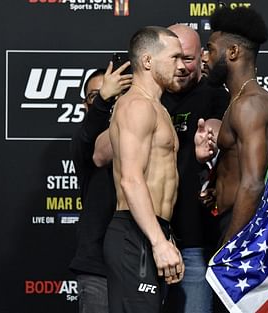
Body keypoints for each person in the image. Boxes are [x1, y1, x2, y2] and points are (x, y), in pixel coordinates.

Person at [194, 7, 268, 312]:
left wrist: (229, 247)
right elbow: (237, 168)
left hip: (241, 235)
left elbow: (252, 183)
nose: (204, 57)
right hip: (230, 224)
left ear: (233, 52)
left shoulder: (250, 105)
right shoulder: (237, 101)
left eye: (210, 49)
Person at [103, 26, 186, 313]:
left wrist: (165, 239)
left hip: (152, 231)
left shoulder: (159, 108)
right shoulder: (136, 106)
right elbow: (131, 180)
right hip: (135, 235)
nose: (182, 66)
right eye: (175, 58)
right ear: (148, 61)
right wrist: (158, 243)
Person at [161, 24, 229, 313]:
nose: (180, 66)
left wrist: (210, 141)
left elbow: (216, 126)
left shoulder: (214, 93)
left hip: (194, 241)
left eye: (187, 58)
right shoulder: (149, 96)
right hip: (148, 237)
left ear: (201, 56)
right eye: (173, 58)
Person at [69, 62, 131, 313]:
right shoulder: (83, 143)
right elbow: (89, 141)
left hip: (137, 263)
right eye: (94, 96)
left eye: (112, 94)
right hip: (97, 267)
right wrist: (103, 100)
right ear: (86, 105)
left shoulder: (142, 135)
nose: (103, 101)